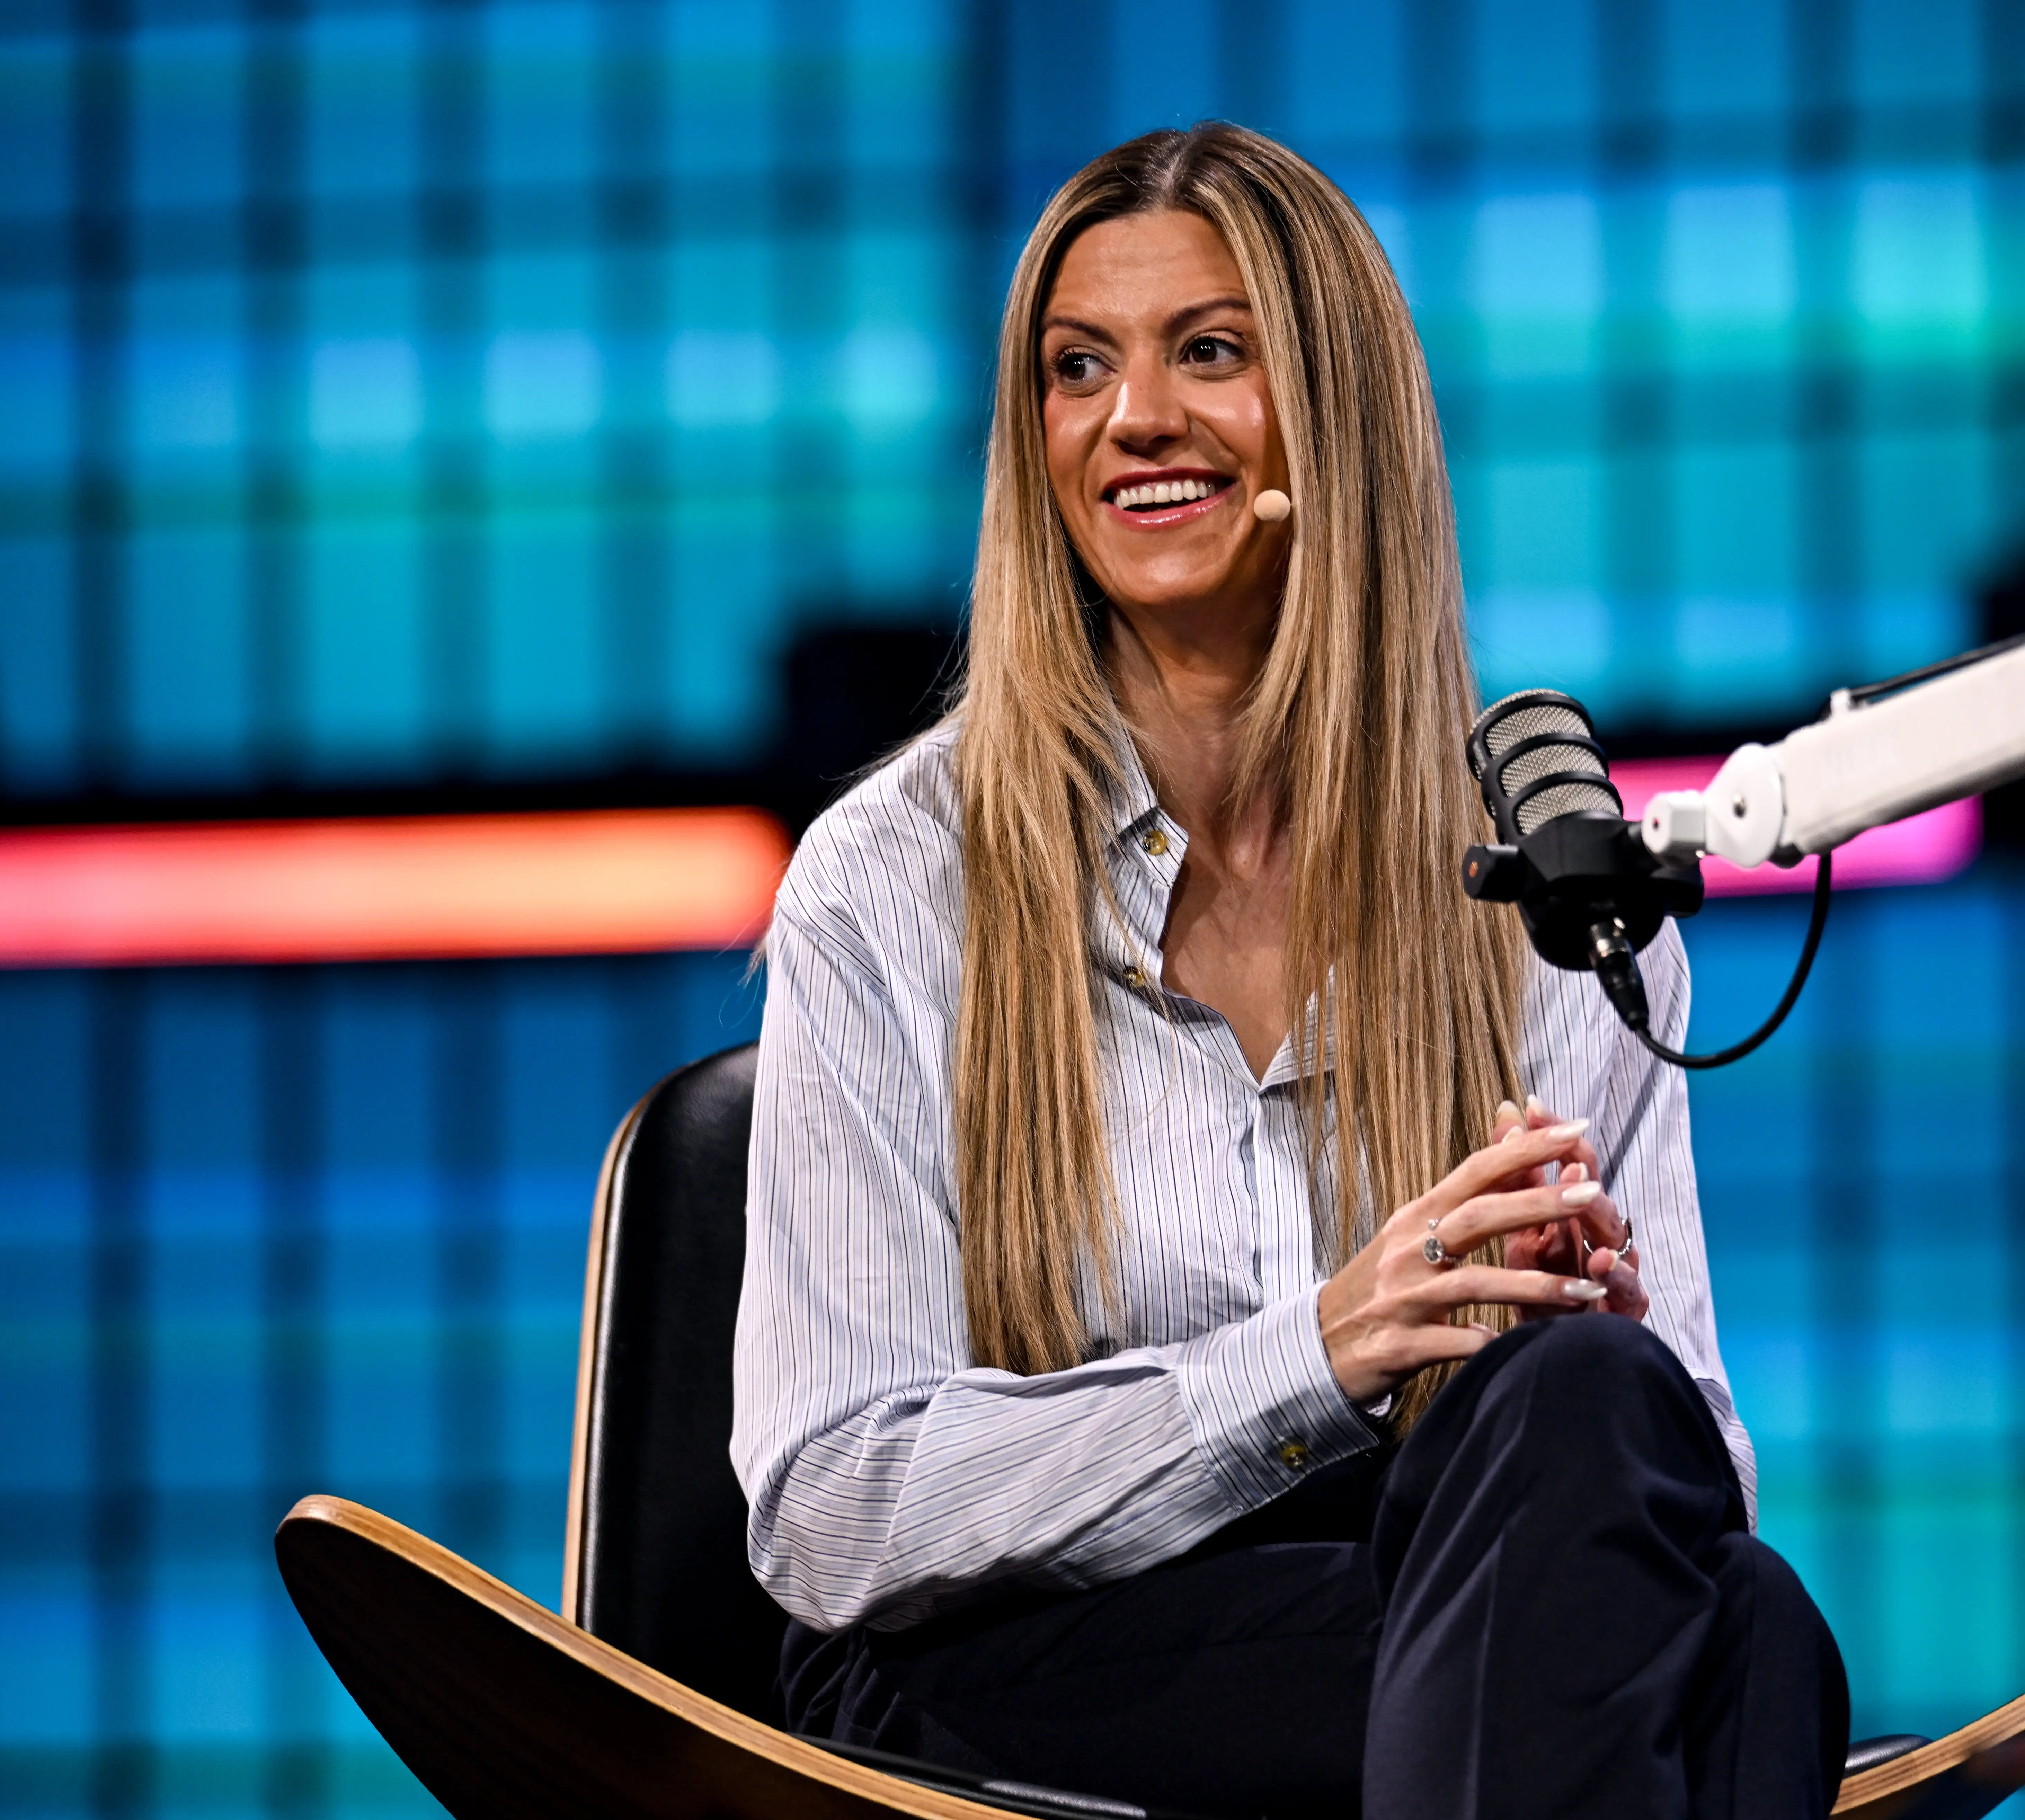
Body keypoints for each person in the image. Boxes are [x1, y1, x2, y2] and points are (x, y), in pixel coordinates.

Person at [732, 123, 1847, 1820]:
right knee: (1746, 1658)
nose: (1134, 420)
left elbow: (1695, 1472)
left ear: (1339, 411)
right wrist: (1318, 1353)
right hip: (990, 1670)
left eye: (1210, 351)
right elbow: (831, 1502)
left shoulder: (1544, 896)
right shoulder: (890, 884)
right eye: (1076, 367)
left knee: (1629, 1459)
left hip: (1415, 1599)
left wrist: (1569, 1338)